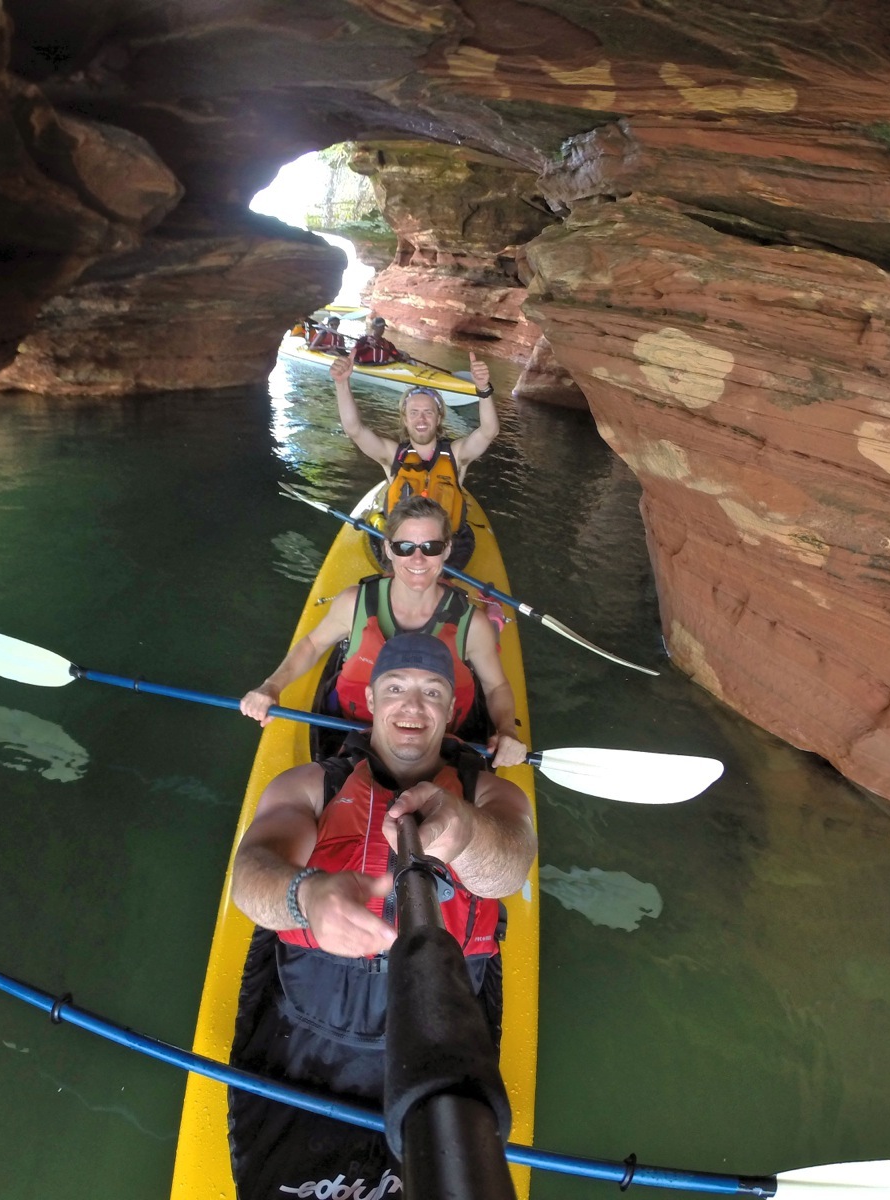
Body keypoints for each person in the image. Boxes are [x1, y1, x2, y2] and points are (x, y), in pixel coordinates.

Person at [227, 632, 536, 1200]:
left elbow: (507, 869)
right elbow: (251, 871)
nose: (413, 707)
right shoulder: (310, 786)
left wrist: (463, 832)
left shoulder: (493, 798)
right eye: (395, 688)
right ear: (370, 701)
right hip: (308, 1031)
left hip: (440, 1023)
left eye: (432, 692)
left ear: (451, 709)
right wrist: (308, 897)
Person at [240, 494, 528, 768]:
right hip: (352, 733)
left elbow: (496, 687)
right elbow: (312, 646)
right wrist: (272, 686)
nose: (417, 560)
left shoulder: (473, 624)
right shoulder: (354, 603)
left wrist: (506, 730)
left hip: (439, 743)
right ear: (389, 548)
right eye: (405, 547)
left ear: (447, 550)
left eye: (431, 547)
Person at [330, 351, 500, 568]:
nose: (421, 419)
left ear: (439, 418)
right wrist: (342, 384)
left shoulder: (457, 454)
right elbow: (355, 430)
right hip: (402, 550)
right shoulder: (392, 455)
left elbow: (488, 431)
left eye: (428, 412)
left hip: (445, 550)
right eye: (414, 413)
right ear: (405, 419)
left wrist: (483, 390)